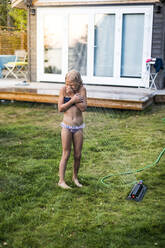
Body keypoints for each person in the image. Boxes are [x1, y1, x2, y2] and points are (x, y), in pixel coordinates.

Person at [58, 70, 87, 189]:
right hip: (66, 126)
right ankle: (61, 180)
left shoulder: (82, 90)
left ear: (78, 82)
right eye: (67, 83)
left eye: (72, 84)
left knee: (78, 155)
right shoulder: (63, 90)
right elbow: (60, 108)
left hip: (78, 127)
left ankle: (75, 177)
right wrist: (71, 98)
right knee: (66, 153)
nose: (69, 86)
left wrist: (72, 97)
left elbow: (83, 108)